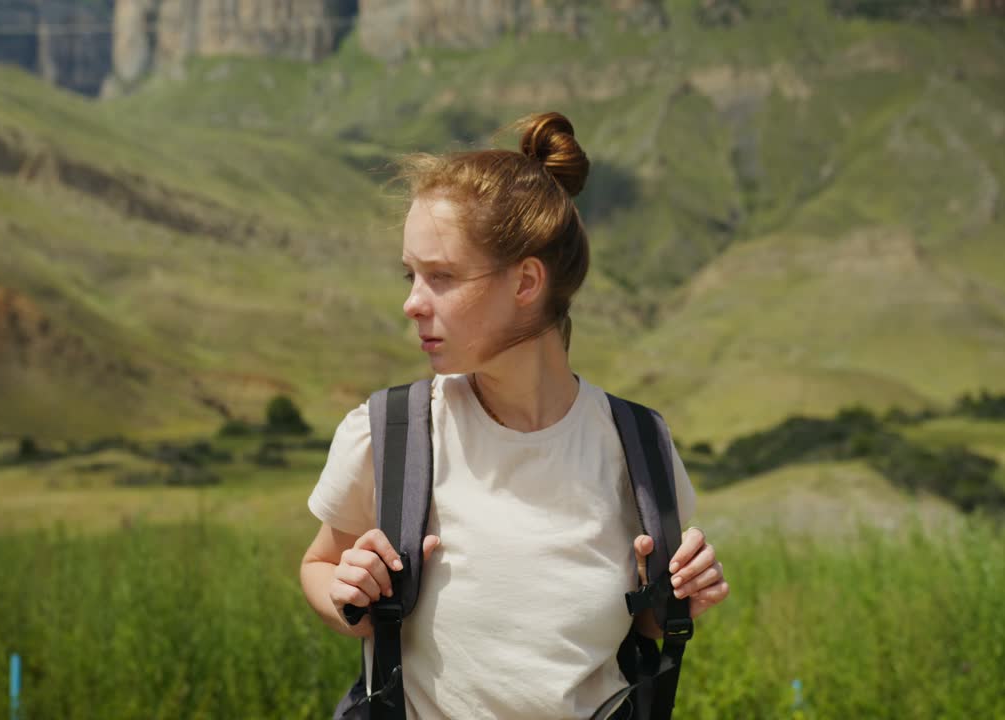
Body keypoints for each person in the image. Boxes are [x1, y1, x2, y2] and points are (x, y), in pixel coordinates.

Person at [299, 111, 729, 719]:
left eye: (441, 277)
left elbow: (650, 626)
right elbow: (319, 565)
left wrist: (680, 596)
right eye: (410, 274)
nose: (411, 303)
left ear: (526, 281)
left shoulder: (638, 444)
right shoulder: (390, 434)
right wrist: (349, 595)